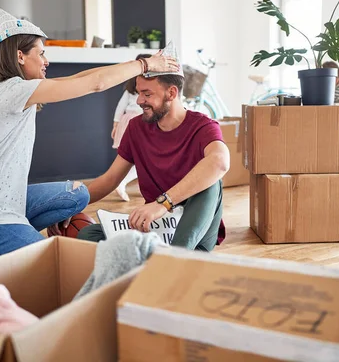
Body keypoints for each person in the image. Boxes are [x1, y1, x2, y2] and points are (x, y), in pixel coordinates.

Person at [0, 8, 178, 276]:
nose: (46, 60)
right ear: (20, 56)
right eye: (41, 53)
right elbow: (95, 85)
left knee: (77, 193)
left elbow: (82, 79)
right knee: (52, 264)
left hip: (6, 200)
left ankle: (0, 244)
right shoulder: (14, 91)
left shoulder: (17, 89)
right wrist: (144, 65)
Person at [77, 45, 230, 251]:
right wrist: (67, 207)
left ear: (171, 93)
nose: (140, 100)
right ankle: (162, 258)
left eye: (147, 94)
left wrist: (162, 204)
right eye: (139, 93)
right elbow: (110, 179)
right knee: (87, 234)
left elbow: (220, 162)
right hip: (158, 225)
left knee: (211, 181)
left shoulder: (203, 126)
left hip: (193, 229)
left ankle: (177, 256)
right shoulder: (135, 127)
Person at [111, 53, 152, 202]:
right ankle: (121, 182)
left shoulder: (131, 86)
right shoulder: (149, 85)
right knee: (143, 159)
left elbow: (120, 107)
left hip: (126, 120)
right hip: (138, 121)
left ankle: (143, 186)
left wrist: (116, 124)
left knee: (134, 158)